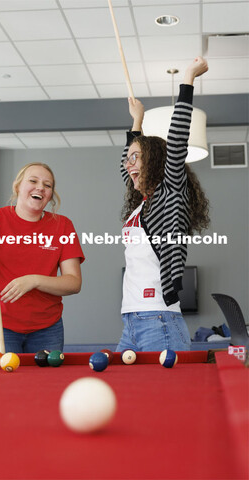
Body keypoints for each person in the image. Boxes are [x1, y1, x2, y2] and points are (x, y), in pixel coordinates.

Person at [117, 57, 210, 352]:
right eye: (128, 157)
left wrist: (188, 78)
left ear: (156, 162)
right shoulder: (140, 205)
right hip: (131, 319)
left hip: (158, 318)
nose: (128, 164)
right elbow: (126, 167)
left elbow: (178, 139)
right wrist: (137, 121)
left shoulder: (168, 196)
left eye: (136, 157)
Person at [0, 162, 85, 353]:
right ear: (17, 186)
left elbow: (74, 283)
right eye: (33, 181)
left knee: (45, 384)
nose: (40, 188)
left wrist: (33, 281)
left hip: (47, 329)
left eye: (47, 185)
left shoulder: (63, 225)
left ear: (51, 194)